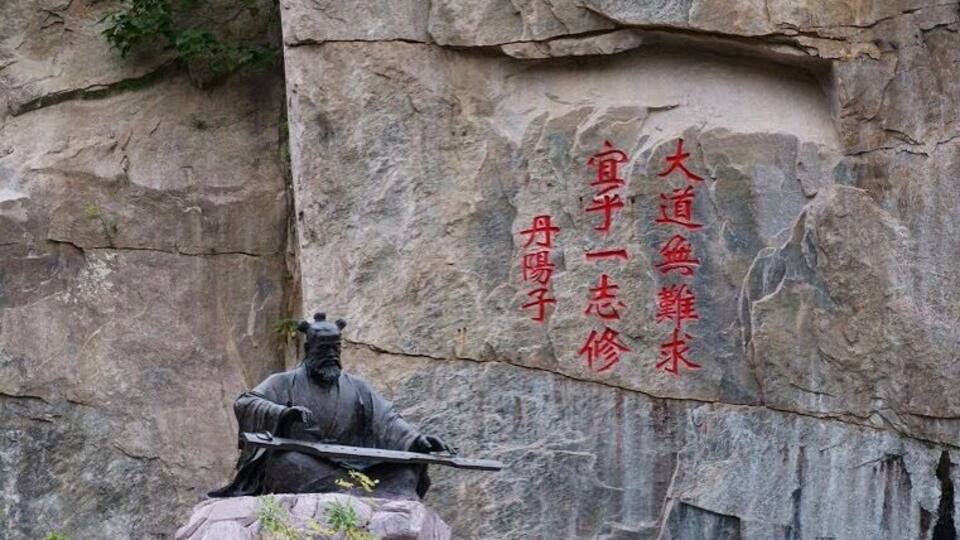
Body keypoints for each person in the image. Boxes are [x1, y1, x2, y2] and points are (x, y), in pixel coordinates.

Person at [210, 312, 452, 499]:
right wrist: (282, 414)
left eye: (336, 349)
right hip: (308, 465)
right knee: (288, 463)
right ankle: (353, 492)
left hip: (356, 468)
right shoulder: (283, 383)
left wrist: (417, 441)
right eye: (324, 349)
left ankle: (355, 491)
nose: (332, 355)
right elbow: (246, 402)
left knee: (407, 472)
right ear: (308, 350)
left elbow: (388, 421)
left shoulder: (358, 387)